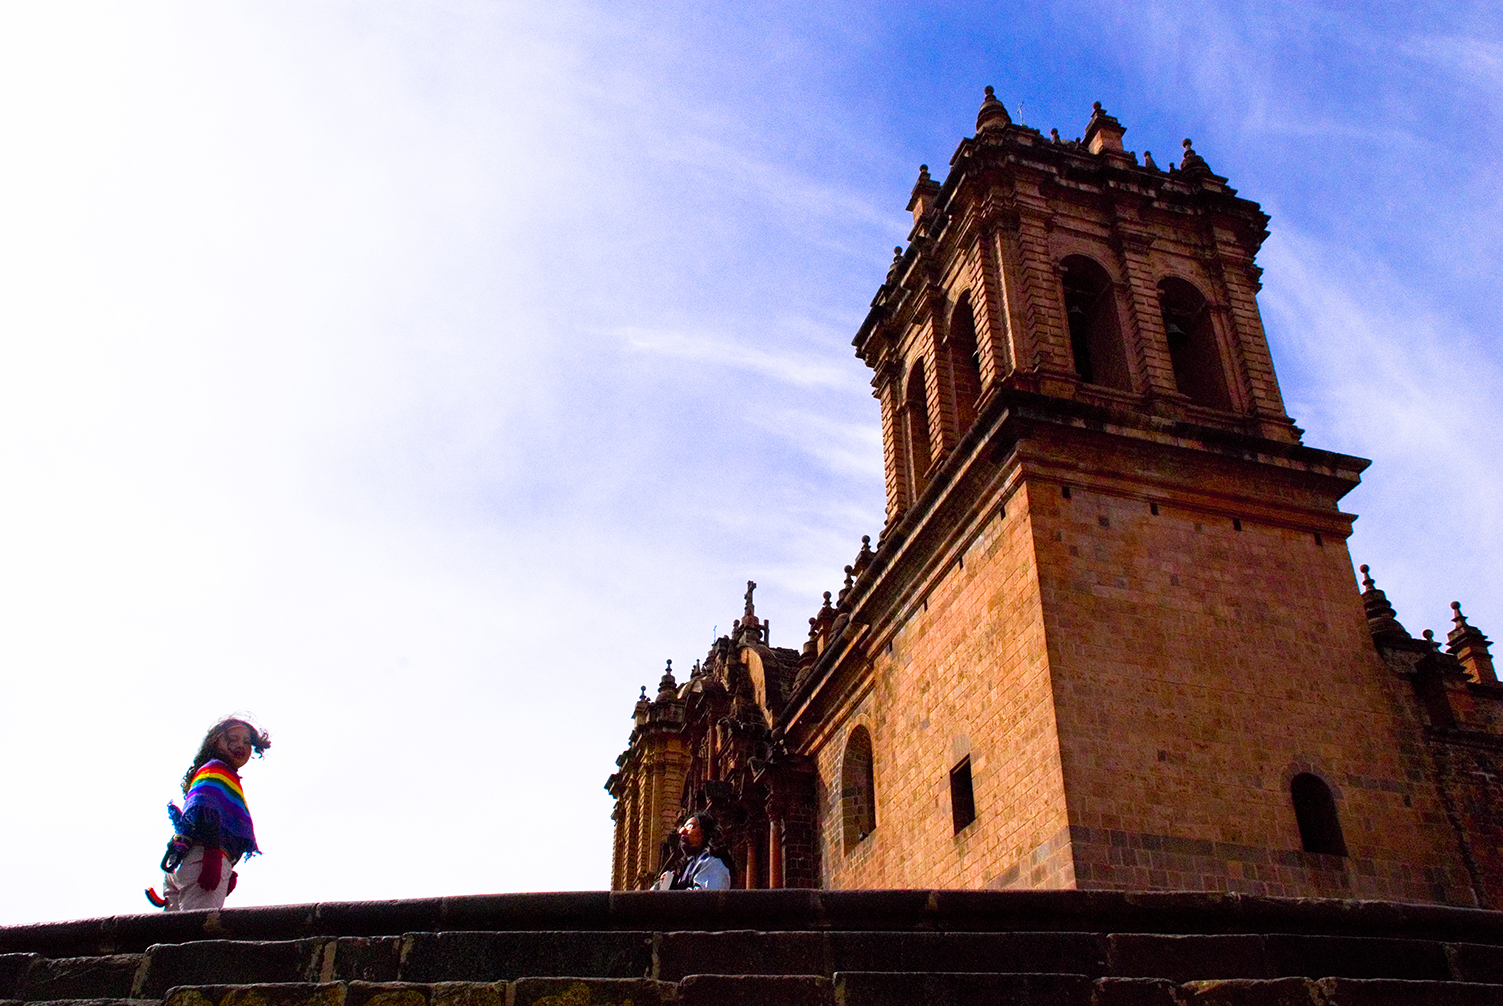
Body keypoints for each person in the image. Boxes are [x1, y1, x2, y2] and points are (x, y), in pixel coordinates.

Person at [145, 717, 270, 911]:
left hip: (182, 861)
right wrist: (214, 854)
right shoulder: (218, 770)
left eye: (247, 741)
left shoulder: (208, 771)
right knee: (197, 933)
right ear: (215, 742)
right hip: (202, 859)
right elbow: (206, 812)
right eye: (233, 738)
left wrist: (229, 864)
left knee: (174, 935)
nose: (241, 745)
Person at [654, 811, 733, 890]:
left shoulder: (713, 863)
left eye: (690, 826)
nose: (682, 832)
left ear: (705, 832)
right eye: (682, 828)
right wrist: (663, 885)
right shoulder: (683, 868)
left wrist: (672, 892)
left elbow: (704, 898)